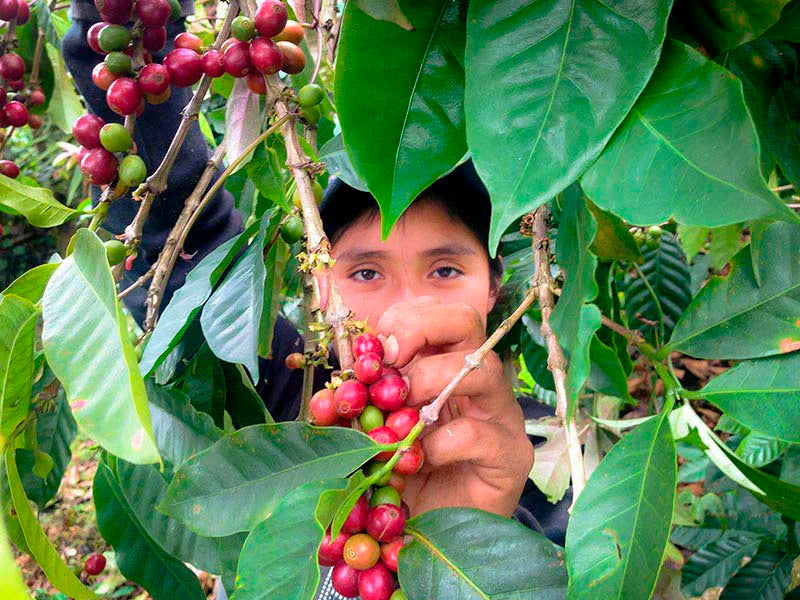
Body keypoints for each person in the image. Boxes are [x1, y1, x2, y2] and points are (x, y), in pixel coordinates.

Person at [62, 3, 571, 597]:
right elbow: (179, 244)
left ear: (495, 282)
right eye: (365, 274)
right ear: (321, 284)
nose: (405, 310)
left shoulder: (531, 462)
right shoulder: (290, 400)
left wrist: (483, 529)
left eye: (445, 269)